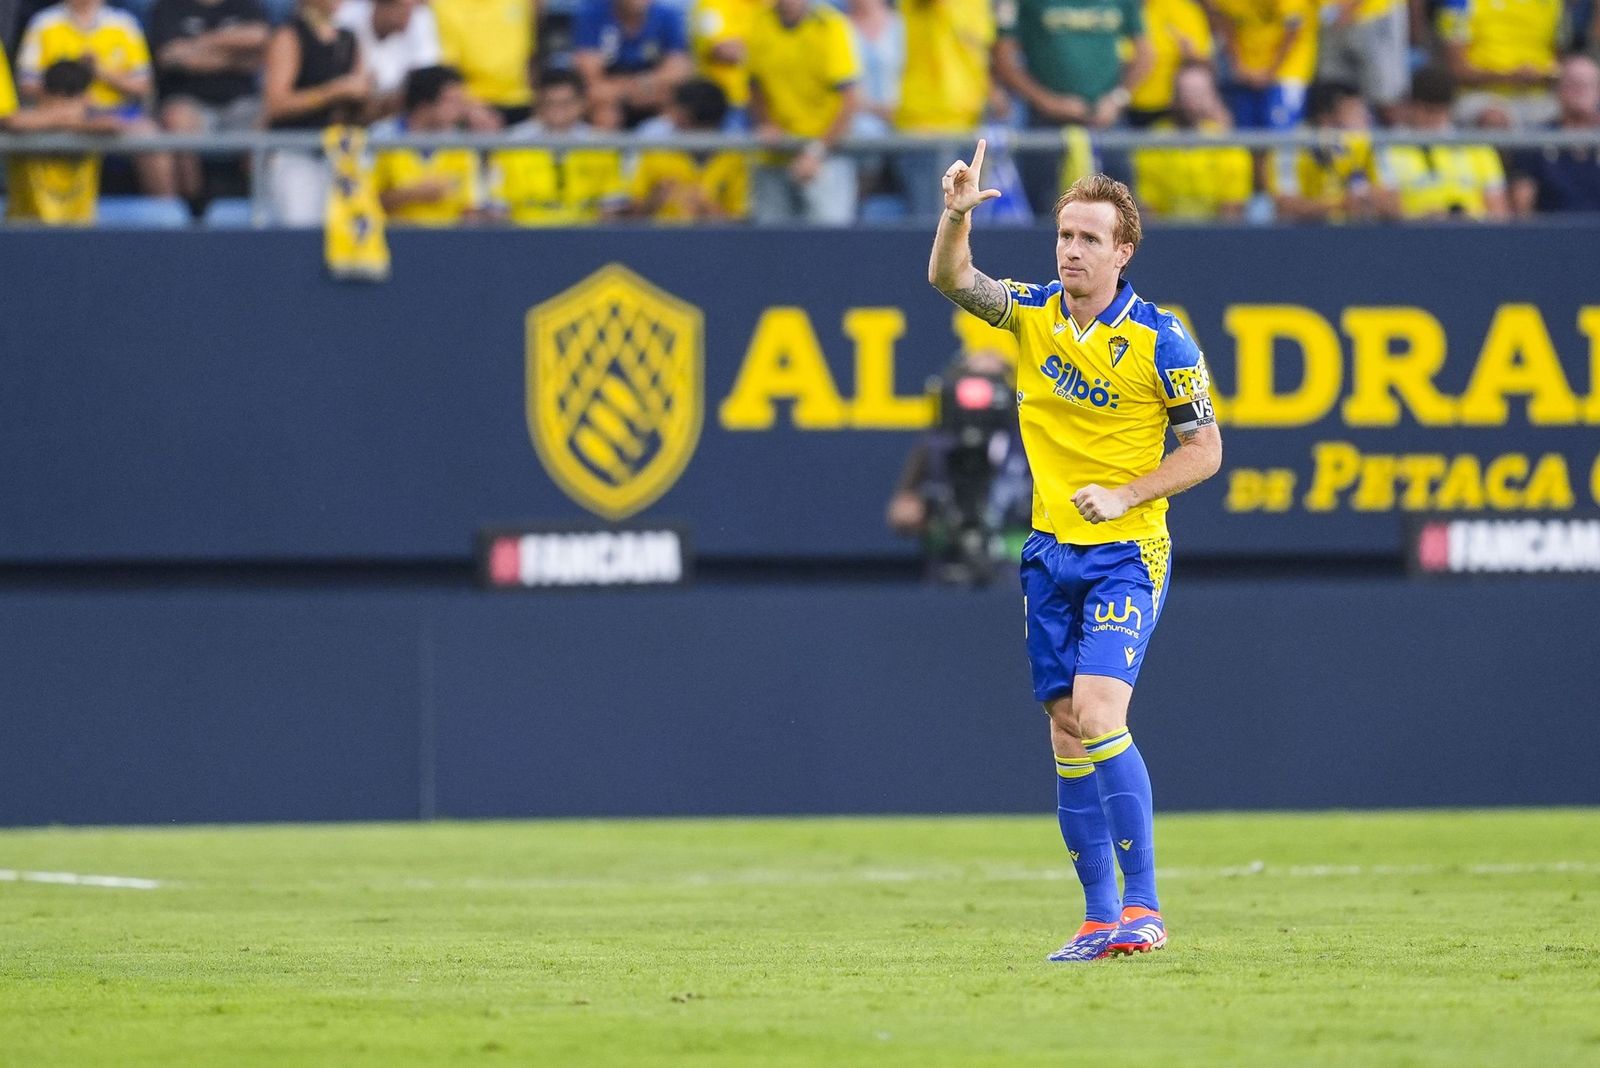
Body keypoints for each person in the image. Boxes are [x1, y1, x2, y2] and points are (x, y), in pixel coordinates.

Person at [927, 141, 1222, 961]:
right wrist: (956, 216)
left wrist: (1128, 493)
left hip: (1126, 551)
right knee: (1063, 730)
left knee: (1098, 713)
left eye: (1089, 239)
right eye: (1064, 235)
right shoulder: (1032, 312)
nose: (1071, 250)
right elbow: (952, 281)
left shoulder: (1163, 340)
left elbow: (1206, 450)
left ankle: (1146, 908)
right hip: (1050, 551)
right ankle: (1098, 918)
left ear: (1123, 251)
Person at [992, 0, 1150, 209]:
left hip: (1107, 118)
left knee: (1120, 206)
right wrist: (1047, 102)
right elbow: (1003, 57)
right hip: (1045, 122)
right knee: (1043, 208)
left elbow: (1146, 55)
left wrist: (1116, 99)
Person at [15, 0, 177, 196]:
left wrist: (100, 73)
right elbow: (27, 84)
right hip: (62, 111)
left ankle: (165, 215)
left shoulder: (123, 24)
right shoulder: (44, 23)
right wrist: (70, 97)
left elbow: (143, 86)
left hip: (117, 111)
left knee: (150, 138)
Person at [746, 0, 861, 225]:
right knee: (770, 248)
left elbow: (849, 101)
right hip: (775, 156)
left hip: (825, 159)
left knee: (829, 245)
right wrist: (765, 122)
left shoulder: (831, 26)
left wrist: (816, 152)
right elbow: (755, 84)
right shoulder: (760, 22)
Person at [146, 0, 270, 203]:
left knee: (268, 118)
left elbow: (260, 41)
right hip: (188, 102)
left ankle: (256, 204)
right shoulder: (168, 7)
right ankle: (192, 206)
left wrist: (201, 43)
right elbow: (171, 56)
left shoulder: (246, 5)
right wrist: (234, 56)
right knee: (177, 118)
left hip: (242, 104)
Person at [261, 0, 370, 227]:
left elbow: (361, 102)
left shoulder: (349, 39)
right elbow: (276, 104)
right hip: (296, 152)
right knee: (300, 231)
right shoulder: (290, 35)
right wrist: (332, 92)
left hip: (341, 153)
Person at [893, 0, 996, 219]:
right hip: (925, 129)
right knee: (932, 227)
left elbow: (974, 56)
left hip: (971, 130)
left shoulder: (979, 5)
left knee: (965, 227)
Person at [488, 69, 627, 224]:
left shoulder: (601, 146)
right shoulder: (510, 144)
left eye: (566, 103)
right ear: (538, 103)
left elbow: (611, 211)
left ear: (581, 103)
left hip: (586, 239)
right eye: (550, 103)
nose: (558, 110)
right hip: (526, 237)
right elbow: (498, 211)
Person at [3, 57, 123, 223]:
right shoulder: (24, 126)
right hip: (25, 233)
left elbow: (114, 125)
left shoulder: (91, 126)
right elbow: (11, 122)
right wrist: (63, 119)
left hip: (79, 234)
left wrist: (71, 123)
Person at [1131, 60, 1253, 221]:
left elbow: (1232, 210)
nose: (1191, 101)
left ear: (1213, 97)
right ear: (1173, 96)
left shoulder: (1228, 144)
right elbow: (1147, 209)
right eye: (1185, 92)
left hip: (1216, 237)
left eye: (1199, 93)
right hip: (1167, 237)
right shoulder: (1154, 142)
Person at [1384, 65, 1508, 220]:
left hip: (1473, 235)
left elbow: (1499, 212)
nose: (1434, 119)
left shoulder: (1477, 147)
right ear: (1411, 106)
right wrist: (1422, 219)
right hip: (1414, 236)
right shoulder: (1387, 147)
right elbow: (1389, 209)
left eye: (1440, 111)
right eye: (1428, 110)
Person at [1269, 79, 1399, 222]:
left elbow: (1394, 205)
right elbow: (1284, 207)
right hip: (1305, 236)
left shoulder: (1370, 143)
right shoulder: (1291, 146)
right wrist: (1340, 204)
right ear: (1327, 119)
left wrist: (1368, 198)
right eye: (1354, 112)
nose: (1367, 118)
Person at [371, 65, 484, 225]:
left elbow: (469, 207)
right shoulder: (380, 137)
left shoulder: (461, 145)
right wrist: (413, 194)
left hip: (448, 240)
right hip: (391, 238)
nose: (460, 109)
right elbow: (363, 201)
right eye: (452, 101)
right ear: (424, 104)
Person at [624, 78, 747, 221]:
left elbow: (742, 226)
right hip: (662, 241)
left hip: (714, 242)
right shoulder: (657, 152)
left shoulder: (734, 158)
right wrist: (653, 201)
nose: (673, 119)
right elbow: (630, 219)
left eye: (679, 114)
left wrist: (707, 209)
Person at [1436, 0, 1561, 127]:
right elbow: (1457, 69)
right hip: (1479, 94)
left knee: (1576, 107)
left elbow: (1560, 60)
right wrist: (1510, 77)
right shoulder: (1460, 3)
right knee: (1493, 119)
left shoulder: (1552, 3)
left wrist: (1546, 75)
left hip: (1540, 95)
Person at [572, 0, 692, 130]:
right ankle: (605, 149)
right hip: (613, 96)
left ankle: (663, 149)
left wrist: (644, 84)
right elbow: (592, 80)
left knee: (675, 99)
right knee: (601, 106)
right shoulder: (593, 14)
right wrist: (632, 89)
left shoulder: (667, 15)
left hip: (652, 91)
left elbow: (679, 71)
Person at [1507, 53, 1600, 214]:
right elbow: (1522, 212)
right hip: (1551, 234)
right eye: (1573, 83)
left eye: (1588, 84)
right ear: (1558, 90)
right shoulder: (1534, 142)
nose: (1580, 90)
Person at [1208, 0, 1317, 131]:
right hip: (1247, 71)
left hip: (1287, 69)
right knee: (1247, 135)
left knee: (1281, 133)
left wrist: (1270, 71)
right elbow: (1225, 22)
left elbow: (1293, 30)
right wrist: (1238, 64)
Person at [334, 0, 441, 121]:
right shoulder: (346, 19)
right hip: (345, 112)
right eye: (403, 8)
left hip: (397, 115)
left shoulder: (420, 19)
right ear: (381, 5)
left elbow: (428, 77)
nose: (409, 14)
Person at [433, 0, 535, 126]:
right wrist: (471, 108)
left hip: (521, 101)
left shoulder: (520, 3)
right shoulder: (444, 6)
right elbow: (448, 71)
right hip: (473, 105)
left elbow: (530, 55)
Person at [1316, 0, 1409, 123]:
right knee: (1340, 92)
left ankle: (1397, 138)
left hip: (1376, 14)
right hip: (1334, 17)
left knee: (1387, 98)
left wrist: (1348, 8)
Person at [1127, 0, 1213, 127]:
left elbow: (1204, 62)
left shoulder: (1184, 9)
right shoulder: (1118, 9)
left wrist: (1191, 53)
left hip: (1174, 107)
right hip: (1126, 105)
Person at [687, 0, 760, 116]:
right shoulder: (711, 4)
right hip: (726, 103)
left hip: (765, 104)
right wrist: (763, 53)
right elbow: (722, 50)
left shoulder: (767, 5)